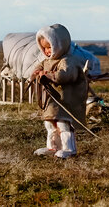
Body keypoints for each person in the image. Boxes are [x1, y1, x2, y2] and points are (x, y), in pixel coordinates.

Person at [30, 24, 88, 158]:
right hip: (52, 100)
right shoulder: (46, 61)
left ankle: (69, 148)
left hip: (65, 100)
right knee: (50, 123)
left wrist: (48, 75)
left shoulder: (67, 61)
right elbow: (34, 72)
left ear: (59, 44)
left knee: (63, 123)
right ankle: (52, 147)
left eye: (50, 47)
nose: (47, 51)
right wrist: (35, 74)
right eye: (44, 48)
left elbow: (65, 75)